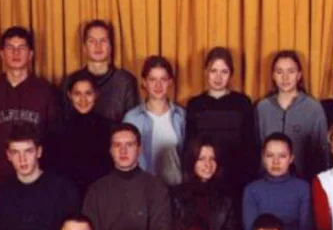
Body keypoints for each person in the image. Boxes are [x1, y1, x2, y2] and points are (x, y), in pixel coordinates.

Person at [83, 123, 172, 230]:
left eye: (129, 145)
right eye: (117, 145)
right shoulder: (96, 189)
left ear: (139, 149)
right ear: (111, 150)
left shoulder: (156, 187)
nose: (123, 151)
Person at [0, 26, 61, 196]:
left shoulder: (47, 93)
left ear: (30, 54)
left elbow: (54, 141)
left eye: (21, 48)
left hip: (37, 186)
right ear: (1, 54)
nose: (16, 53)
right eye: (10, 48)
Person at [185, 46, 257, 197]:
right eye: (214, 71)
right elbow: (189, 145)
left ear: (231, 74)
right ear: (205, 72)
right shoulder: (195, 104)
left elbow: (251, 143)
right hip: (204, 176)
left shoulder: (242, 102)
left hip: (237, 176)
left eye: (224, 72)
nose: (218, 77)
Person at [172, 136, 244, 230]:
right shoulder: (176, 196)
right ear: (192, 161)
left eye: (212, 159)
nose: (208, 164)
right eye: (202, 159)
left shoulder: (226, 198)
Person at [243, 132, 315, 230]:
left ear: (291, 158)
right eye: (270, 155)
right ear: (263, 158)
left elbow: (306, 229)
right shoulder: (252, 190)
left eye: (282, 156)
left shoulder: (303, 188)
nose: (276, 161)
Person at [255, 50, 329, 182]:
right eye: (279, 72)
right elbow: (256, 150)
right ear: (273, 75)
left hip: (304, 183)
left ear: (299, 75)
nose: (285, 77)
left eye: (291, 71)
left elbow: (322, 153)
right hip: (266, 183)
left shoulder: (313, 108)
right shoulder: (262, 108)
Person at [123, 56, 186, 186]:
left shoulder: (181, 116)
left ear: (170, 82)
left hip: (176, 188)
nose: (158, 85)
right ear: (144, 82)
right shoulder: (132, 118)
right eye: (152, 79)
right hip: (143, 188)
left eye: (163, 79)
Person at [52, 72, 114, 202]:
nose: (83, 100)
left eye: (88, 93)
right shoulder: (57, 129)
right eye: (77, 94)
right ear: (69, 95)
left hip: (101, 197)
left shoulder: (109, 129)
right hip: (67, 198)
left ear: (96, 94)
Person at [62, 19, 139, 122]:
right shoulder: (69, 81)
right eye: (92, 41)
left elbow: (132, 123)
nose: (98, 46)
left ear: (110, 47)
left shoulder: (126, 82)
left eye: (103, 41)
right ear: (84, 48)